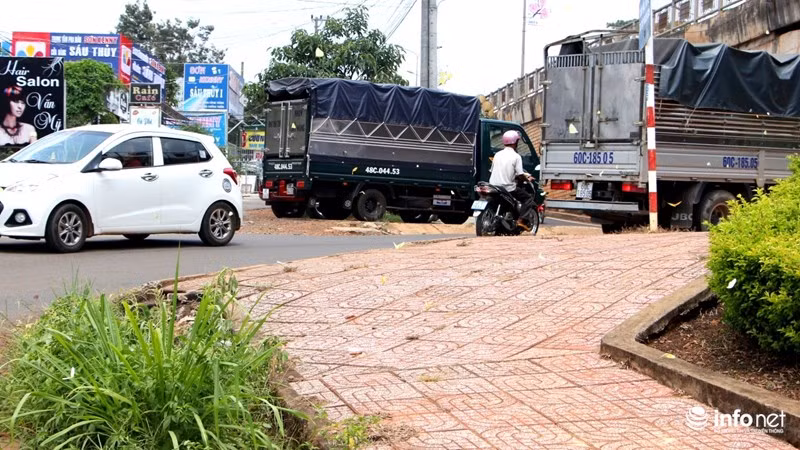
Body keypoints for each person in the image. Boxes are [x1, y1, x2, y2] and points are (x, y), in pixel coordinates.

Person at [489, 129, 536, 231]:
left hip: (493, 186)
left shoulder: (497, 154)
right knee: (528, 198)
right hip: (507, 188)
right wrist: (527, 179)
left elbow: (493, 170)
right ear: (515, 142)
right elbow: (520, 174)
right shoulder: (516, 156)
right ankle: (521, 220)